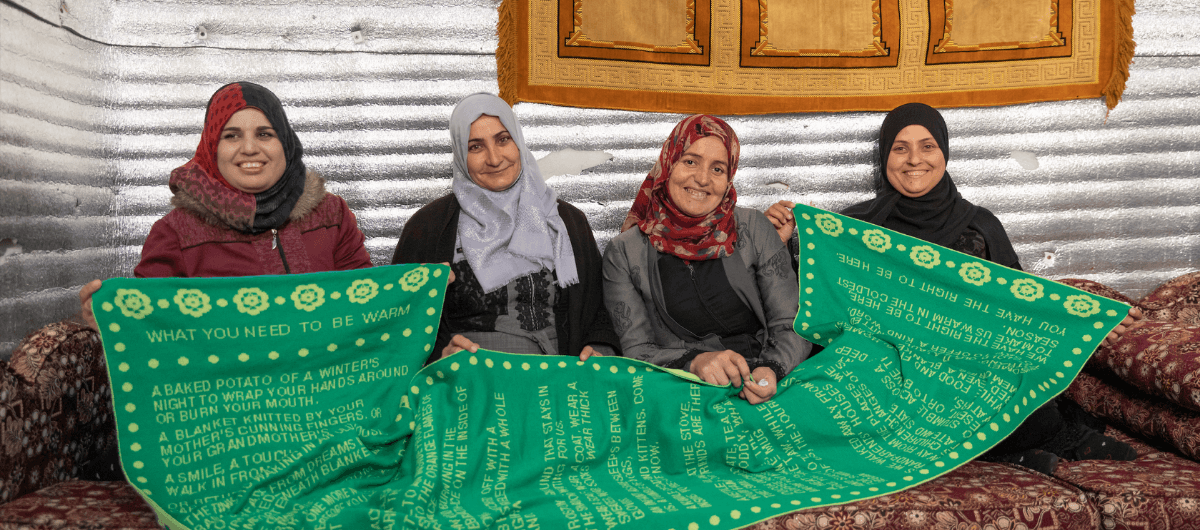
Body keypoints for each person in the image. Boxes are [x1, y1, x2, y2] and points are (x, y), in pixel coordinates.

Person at [766, 102, 1140, 472]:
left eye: (927, 146)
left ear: (943, 152)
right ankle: (1000, 448)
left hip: (966, 364)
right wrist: (779, 244)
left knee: (1006, 379)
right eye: (900, 148)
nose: (915, 159)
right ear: (884, 157)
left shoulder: (980, 226)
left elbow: (1022, 301)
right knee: (842, 394)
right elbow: (817, 299)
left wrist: (1090, 319)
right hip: (889, 371)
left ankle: (1019, 443)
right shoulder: (855, 229)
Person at [80, 81, 373, 324]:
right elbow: (151, 326)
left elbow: (366, 304)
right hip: (225, 393)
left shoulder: (332, 216)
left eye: (265, 134)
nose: (249, 149)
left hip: (325, 386)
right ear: (211, 149)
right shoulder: (176, 234)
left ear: (285, 142)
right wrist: (109, 319)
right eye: (231, 136)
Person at [391, 93, 619, 363]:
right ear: (460, 156)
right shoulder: (428, 228)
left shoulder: (567, 221)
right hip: (473, 382)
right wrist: (441, 355)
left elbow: (597, 312)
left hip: (559, 377)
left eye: (503, 140)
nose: (495, 159)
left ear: (518, 141)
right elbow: (401, 322)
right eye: (475, 147)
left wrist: (599, 348)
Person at [603, 115, 810, 405]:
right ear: (668, 163)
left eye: (717, 168)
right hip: (679, 389)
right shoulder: (625, 252)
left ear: (729, 178)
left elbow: (792, 321)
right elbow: (637, 350)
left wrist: (772, 368)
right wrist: (696, 363)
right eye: (690, 161)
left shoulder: (754, 228)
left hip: (765, 382)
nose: (702, 179)